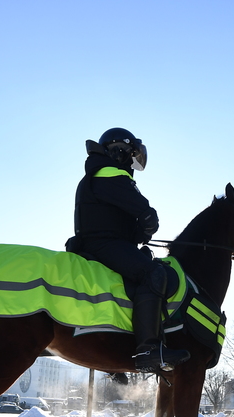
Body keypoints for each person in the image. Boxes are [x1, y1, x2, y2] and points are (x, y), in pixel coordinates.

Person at [65, 128, 190, 374]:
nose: (132, 162)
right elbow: (145, 213)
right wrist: (146, 228)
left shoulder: (98, 174)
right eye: (130, 154)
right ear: (119, 151)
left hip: (102, 242)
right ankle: (148, 349)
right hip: (105, 245)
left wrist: (135, 234)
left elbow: (118, 220)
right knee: (154, 274)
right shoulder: (109, 173)